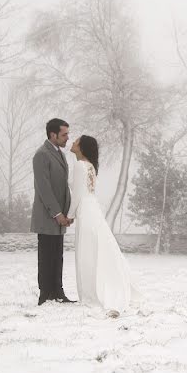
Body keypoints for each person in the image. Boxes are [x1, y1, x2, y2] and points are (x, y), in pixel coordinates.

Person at [68, 134, 133, 318]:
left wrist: (69, 215)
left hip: (85, 211)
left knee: (87, 251)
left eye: (76, 141)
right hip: (92, 209)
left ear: (81, 147)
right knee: (96, 249)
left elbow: (78, 193)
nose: (72, 142)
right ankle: (104, 285)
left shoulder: (80, 165)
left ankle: (91, 293)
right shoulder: (90, 166)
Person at [30, 118, 76, 305]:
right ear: (53, 135)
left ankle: (58, 292)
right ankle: (45, 294)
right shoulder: (41, 155)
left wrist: (68, 213)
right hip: (48, 216)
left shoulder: (60, 154)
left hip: (60, 217)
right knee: (46, 256)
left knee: (58, 256)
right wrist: (57, 214)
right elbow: (44, 188)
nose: (67, 138)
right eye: (64, 134)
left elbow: (63, 187)